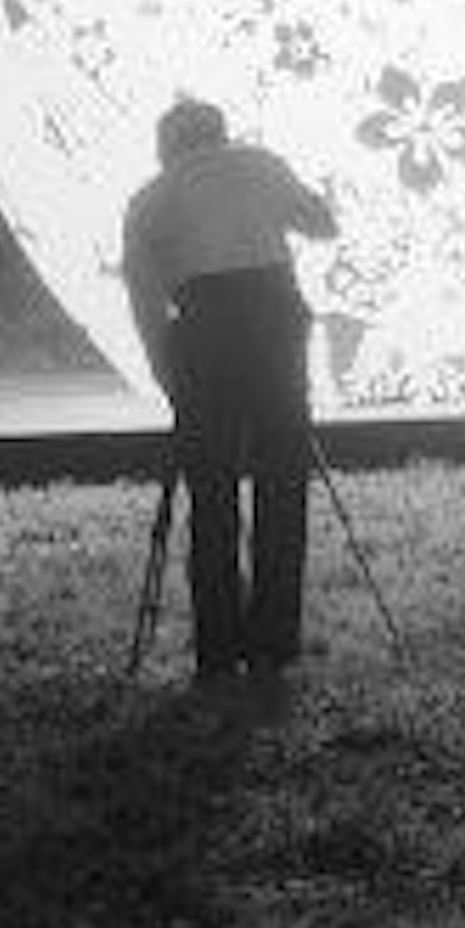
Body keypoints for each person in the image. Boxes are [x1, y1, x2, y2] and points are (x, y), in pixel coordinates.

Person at [118, 94, 339, 680]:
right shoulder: (260, 164)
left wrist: (167, 373)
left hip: (204, 330)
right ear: (222, 133)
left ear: (166, 147)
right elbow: (321, 224)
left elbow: (144, 301)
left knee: (211, 489)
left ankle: (218, 648)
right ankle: (275, 639)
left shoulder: (149, 201)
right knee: (282, 479)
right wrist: (319, 200)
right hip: (273, 318)